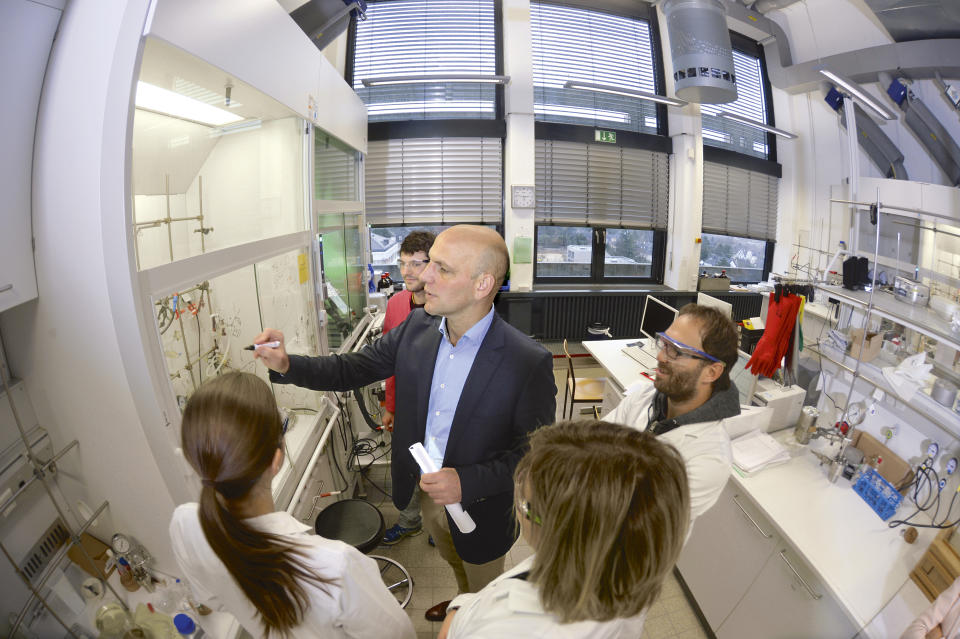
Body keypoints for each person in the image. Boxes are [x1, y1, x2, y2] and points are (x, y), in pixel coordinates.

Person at [252, 225, 556, 622]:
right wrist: (288, 364)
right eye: (429, 264)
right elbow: (352, 368)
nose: (424, 276)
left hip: (483, 509)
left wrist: (468, 481)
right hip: (427, 492)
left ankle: (473, 614)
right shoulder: (418, 328)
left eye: (441, 269)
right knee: (453, 562)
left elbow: (536, 457)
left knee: (486, 592)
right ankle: (460, 599)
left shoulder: (525, 361)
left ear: (483, 284)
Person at [169, 372, 414, 639]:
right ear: (276, 459)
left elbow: (214, 600)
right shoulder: (335, 568)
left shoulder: (183, 524)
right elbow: (400, 636)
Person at [438, 419, 691, 638]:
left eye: (525, 504)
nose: (518, 508)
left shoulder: (511, 630)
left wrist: (455, 617)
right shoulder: (618, 562)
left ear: (558, 528)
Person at [604, 303, 739, 524]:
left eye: (675, 351)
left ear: (711, 372)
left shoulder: (710, 459)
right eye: (664, 344)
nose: (660, 356)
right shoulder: (646, 397)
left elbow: (639, 520)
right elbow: (594, 446)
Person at [380, 231, 435, 546]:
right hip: (405, 409)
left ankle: (438, 525)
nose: (408, 271)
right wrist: (391, 406)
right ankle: (410, 521)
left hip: (438, 409)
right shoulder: (397, 304)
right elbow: (390, 364)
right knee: (405, 466)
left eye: (417, 263)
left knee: (437, 466)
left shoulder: (447, 308)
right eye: (403, 264)